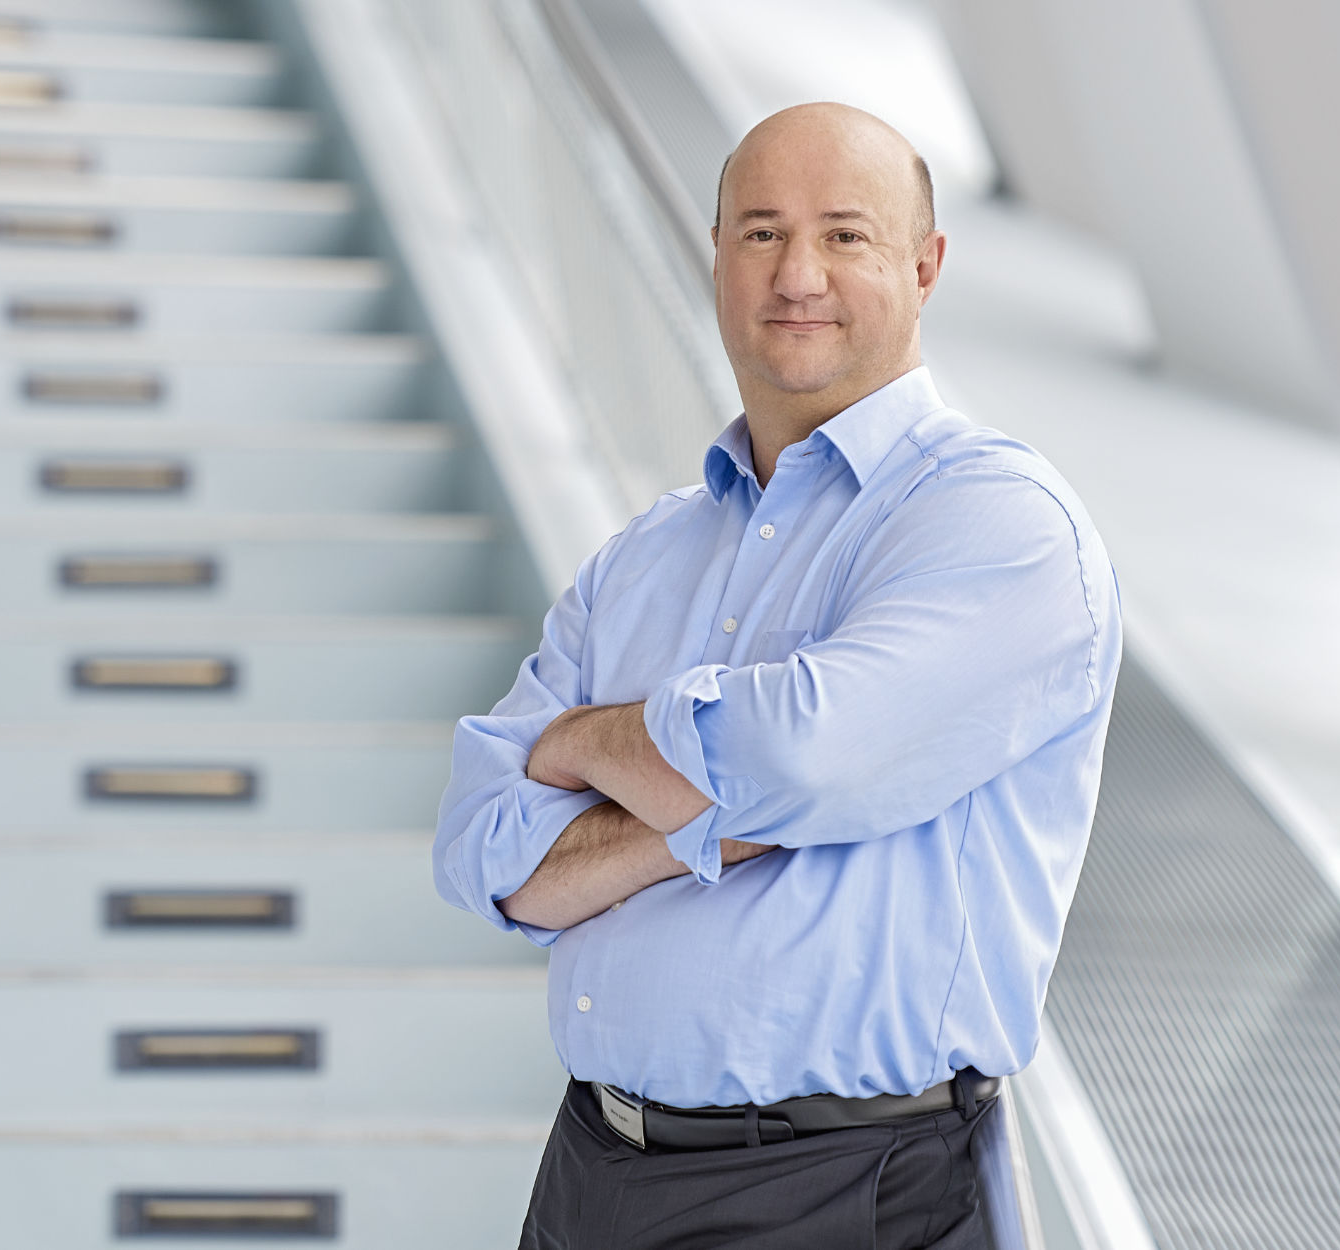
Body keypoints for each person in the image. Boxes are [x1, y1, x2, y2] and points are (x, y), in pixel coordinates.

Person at [433, 102, 1122, 1248]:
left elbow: (796, 756)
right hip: (592, 1174)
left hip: (849, 1190)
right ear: (715, 257)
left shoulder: (1001, 525)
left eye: (843, 235)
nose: (795, 271)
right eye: (758, 232)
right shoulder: (649, 555)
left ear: (924, 264)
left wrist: (585, 751)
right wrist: (712, 808)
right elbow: (478, 847)